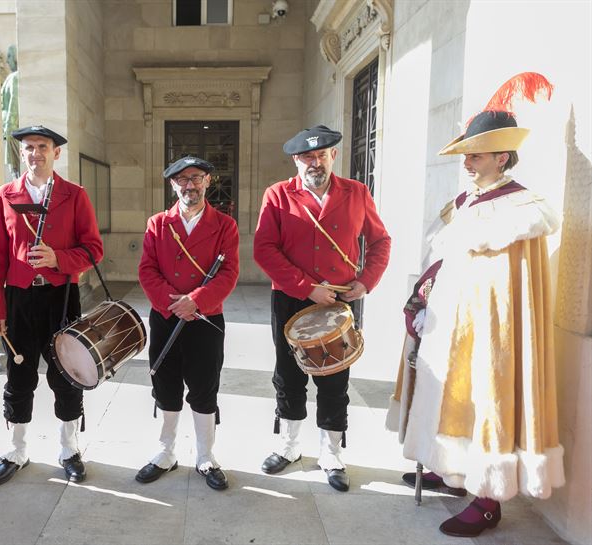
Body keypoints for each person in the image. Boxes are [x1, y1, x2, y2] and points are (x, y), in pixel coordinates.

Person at [387, 73, 564, 537]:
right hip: (446, 322)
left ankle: (487, 498)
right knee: (447, 394)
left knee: (485, 398)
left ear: (502, 156)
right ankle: (448, 468)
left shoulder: (523, 207)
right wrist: (423, 296)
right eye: (466, 154)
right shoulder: (465, 200)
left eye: (476, 154)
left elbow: (503, 279)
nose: (467, 162)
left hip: (488, 328)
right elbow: (443, 258)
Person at [253, 126, 391, 492]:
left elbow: (380, 241)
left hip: (340, 299)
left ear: (334, 156)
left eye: (322, 155)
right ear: (296, 160)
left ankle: (331, 453)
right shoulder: (278, 195)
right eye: (308, 157)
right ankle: (289, 447)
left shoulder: (357, 192)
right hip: (291, 298)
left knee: (334, 377)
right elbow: (264, 249)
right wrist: (306, 287)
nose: (315, 163)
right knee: (289, 373)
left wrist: (366, 282)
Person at [0, 125, 103, 486]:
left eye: (42, 147)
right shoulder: (4, 195)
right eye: (29, 147)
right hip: (18, 297)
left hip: (61, 296)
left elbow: (93, 250)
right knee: (18, 375)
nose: (35, 153)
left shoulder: (75, 195)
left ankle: (69, 449)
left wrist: (58, 258)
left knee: (66, 374)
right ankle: (16, 450)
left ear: (56, 153)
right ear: (22, 153)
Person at [136, 156, 239, 491]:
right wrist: (174, 303)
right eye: (182, 179)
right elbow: (147, 271)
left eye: (196, 178)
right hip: (167, 317)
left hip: (205, 317)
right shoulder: (157, 224)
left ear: (208, 181)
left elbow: (229, 273)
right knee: (165, 383)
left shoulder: (225, 225)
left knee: (204, 385)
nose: (189, 185)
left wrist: (196, 300)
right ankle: (166, 452)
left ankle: (205, 455)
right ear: (172, 185)